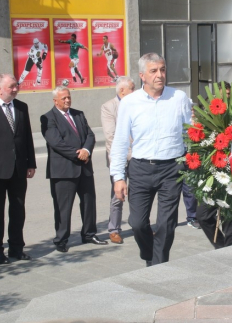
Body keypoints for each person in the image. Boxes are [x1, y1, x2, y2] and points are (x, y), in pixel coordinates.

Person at [110, 53, 191, 266]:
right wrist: (118, 177)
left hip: (171, 169)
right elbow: (120, 141)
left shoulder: (179, 98)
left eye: (163, 69)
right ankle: (149, 254)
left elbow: (191, 133)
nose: (160, 75)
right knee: (137, 223)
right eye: (154, 71)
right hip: (140, 169)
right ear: (142, 76)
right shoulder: (129, 103)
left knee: (166, 225)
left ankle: (158, 267)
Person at [41, 86, 107, 253]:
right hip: (63, 171)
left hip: (84, 168)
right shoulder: (48, 118)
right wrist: (78, 154)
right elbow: (56, 142)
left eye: (69, 97)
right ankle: (61, 239)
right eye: (63, 98)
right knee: (64, 207)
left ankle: (89, 234)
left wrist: (86, 150)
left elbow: (90, 135)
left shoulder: (78, 114)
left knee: (88, 202)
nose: (67, 100)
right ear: (55, 100)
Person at [0, 74, 36, 263]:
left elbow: (27, 136)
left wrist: (31, 163)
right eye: (11, 86)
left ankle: (16, 248)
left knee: (18, 210)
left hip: (19, 169)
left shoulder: (21, 107)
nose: (15, 89)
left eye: (16, 86)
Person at [101, 76, 135, 244]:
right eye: (132, 88)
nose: (135, 91)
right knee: (118, 195)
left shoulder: (136, 104)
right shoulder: (109, 107)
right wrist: (128, 154)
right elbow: (111, 137)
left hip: (137, 157)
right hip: (119, 158)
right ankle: (114, 229)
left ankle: (140, 225)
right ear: (122, 90)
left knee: (138, 193)